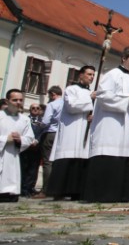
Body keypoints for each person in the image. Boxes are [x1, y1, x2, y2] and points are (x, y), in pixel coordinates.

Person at [83, 46, 129, 203]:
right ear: (124, 58)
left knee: (125, 158)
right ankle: (103, 194)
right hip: (111, 124)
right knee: (110, 157)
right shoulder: (112, 75)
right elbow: (103, 96)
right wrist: (126, 98)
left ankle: (123, 194)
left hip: (128, 125)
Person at [46, 66, 96, 200]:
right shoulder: (70, 89)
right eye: (89, 74)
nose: (91, 77)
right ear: (81, 75)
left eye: (93, 75)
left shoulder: (92, 92)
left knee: (81, 158)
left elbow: (93, 110)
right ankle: (59, 191)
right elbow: (71, 106)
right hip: (71, 128)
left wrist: (93, 116)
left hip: (84, 128)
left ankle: (76, 191)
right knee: (67, 157)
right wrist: (89, 99)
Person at [0, 90, 35, 202]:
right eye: (15, 100)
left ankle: (9, 193)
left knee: (11, 173)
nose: (18, 102)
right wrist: (5, 139)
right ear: (7, 101)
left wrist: (20, 140)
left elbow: (29, 137)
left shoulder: (24, 120)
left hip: (13, 154)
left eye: (21, 100)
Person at [36, 86, 63, 197]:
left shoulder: (52, 104)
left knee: (47, 162)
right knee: (58, 162)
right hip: (61, 134)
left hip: (50, 133)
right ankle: (57, 189)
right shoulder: (65, 104)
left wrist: (39, 125)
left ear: (53, 94)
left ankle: (46, 189)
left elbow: (46, 121)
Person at [19, 103, 44, 197]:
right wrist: (28, 141)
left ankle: (30, 188)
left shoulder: (42, 122)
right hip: (26, 148)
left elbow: (43, 132)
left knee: (33, 169)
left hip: (36, 149)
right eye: (33, 108)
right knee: (24, 168)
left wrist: (37, 141)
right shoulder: (25, 120)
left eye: (37, 108)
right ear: (30, 110)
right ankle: (23, 188)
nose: (35, 109)